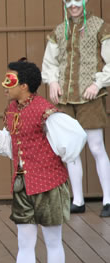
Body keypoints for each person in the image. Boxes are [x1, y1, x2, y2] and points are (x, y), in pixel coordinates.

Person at [0, 59, 86, 263]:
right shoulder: (12, 109)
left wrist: (59, 159)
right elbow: (15, 145)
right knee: (24, 242)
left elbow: (75, 136)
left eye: (9, 80)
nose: (4, 85)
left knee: (53, 241)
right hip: (22, 185)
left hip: (49, 185)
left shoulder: (46, 111)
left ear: (24, 86)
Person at [42, 0, 110, 217]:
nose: (73, 5)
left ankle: (108, 199)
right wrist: (52, 81)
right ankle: (78, 200)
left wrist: (97, 83)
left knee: (97, 148)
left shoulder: (100, 27)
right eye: (68, 1)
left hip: (90, 97)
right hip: (65, 99)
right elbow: (50, 63)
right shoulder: (58, 31)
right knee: (70, 151)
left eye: (77, 1)